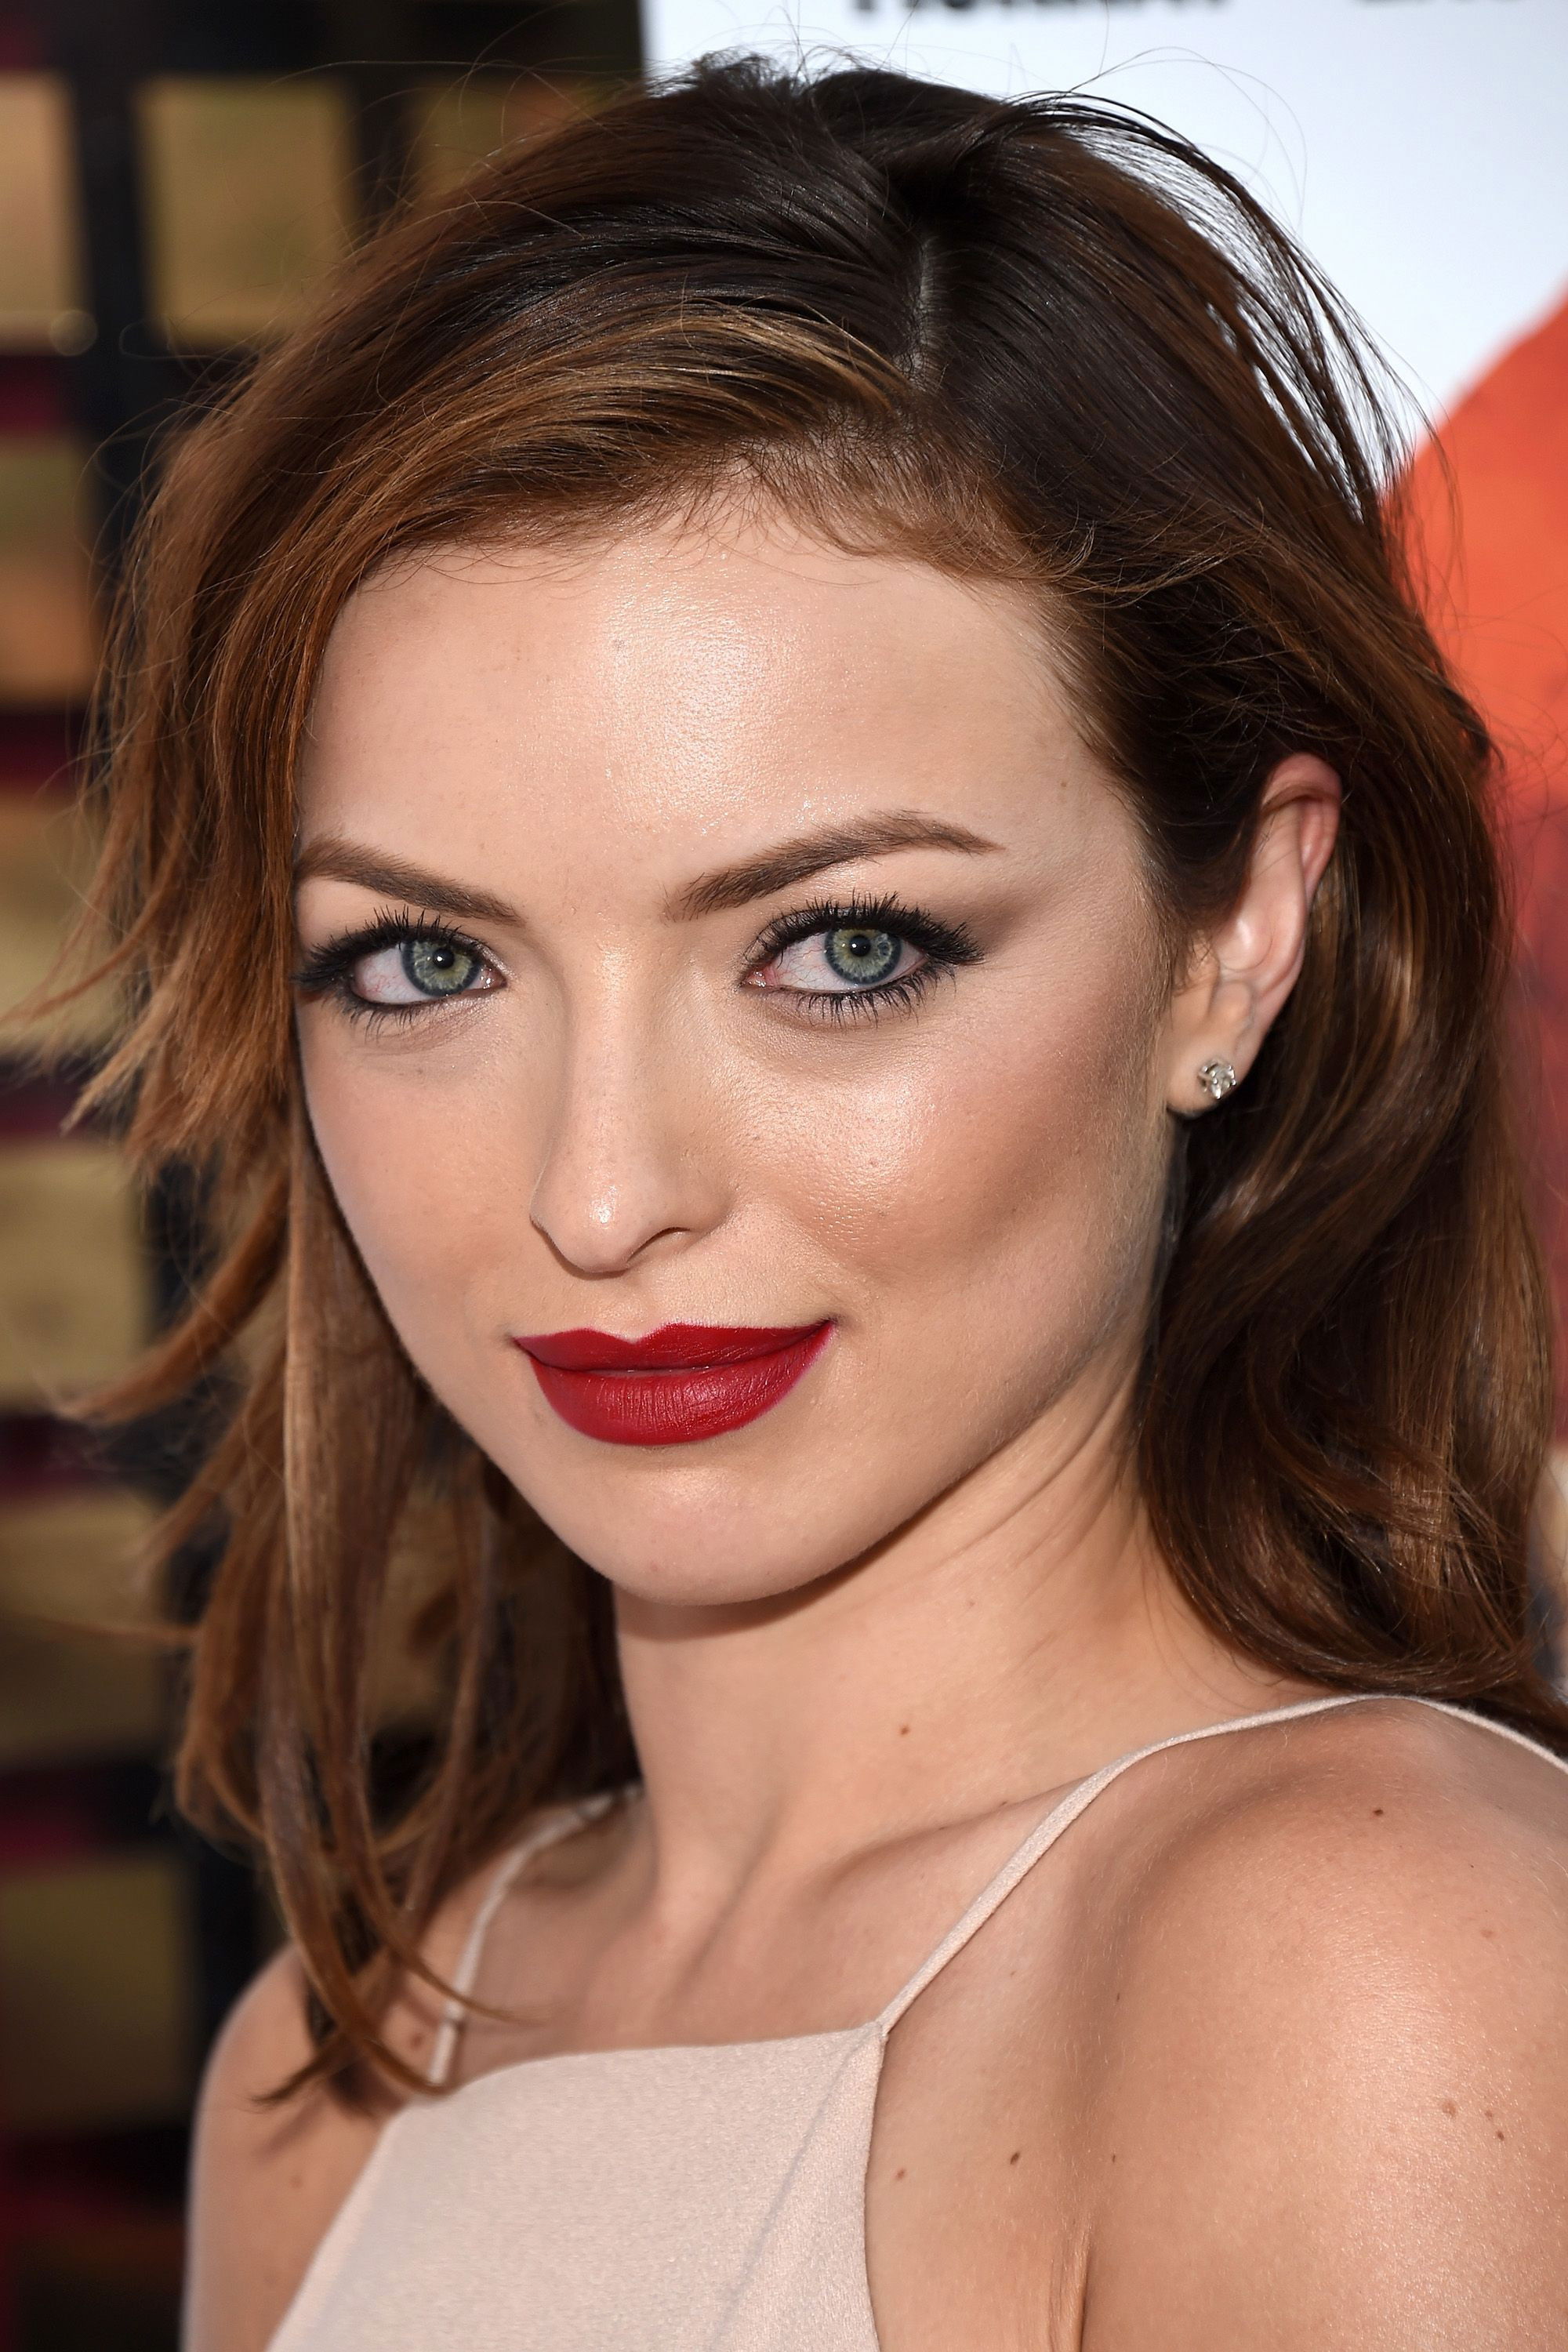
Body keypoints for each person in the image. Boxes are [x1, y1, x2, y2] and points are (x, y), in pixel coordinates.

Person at [57, 56, 1568, 2351]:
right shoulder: (327, 2084)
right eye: (427, 963)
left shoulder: (1372, 1975)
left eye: (841, 949)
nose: (599, 1197)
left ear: (1234, 937)